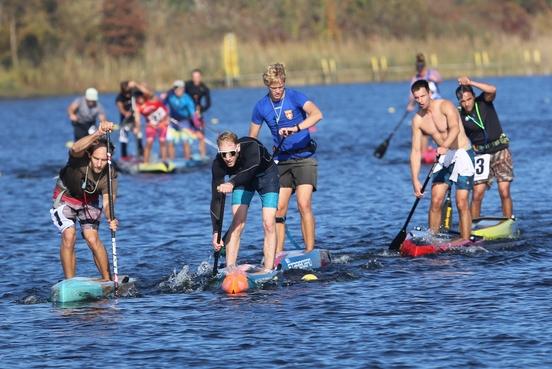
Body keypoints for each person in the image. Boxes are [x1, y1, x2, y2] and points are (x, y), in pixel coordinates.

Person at [248, 63, 323, 253]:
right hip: (281, 161)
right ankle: (278, 253)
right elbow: (252, 138)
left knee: (303, 204)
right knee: (279, 209)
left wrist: (296, 128)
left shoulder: (295, 96)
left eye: (281, 86)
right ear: (267, 85)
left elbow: (317, 114)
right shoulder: (261, 106)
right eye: (274, 87)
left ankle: (310, 251)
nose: (278, 91)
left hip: (305, 157)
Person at [50, 121, 118, 280]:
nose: (100, 164)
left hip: (89, 202)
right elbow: (74, 148)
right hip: (65, 198)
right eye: (96, 159)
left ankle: (107, 280)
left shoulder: (110, 174)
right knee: (69, 234)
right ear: (89, 155)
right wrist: (98, 133)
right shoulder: (78, 158)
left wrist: (110, 217)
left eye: (104, 160)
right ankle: (69, 283)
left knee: (92, 238)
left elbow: (108, 203)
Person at [410, 79, 475, 240]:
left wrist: (445, 145)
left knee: (461, 202)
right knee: (436, 200)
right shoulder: (418, 120)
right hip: (445, 157)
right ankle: (432, 240)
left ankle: (465, 240)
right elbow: (416, 151)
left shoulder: (445, 105)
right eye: (416, 98)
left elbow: (455, 128)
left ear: (430, 93)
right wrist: (415, 180)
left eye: (423, 96)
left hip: (463, 154)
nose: (420, 100)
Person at [211, 131, 279, 271]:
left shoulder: (252, 147)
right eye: (224, 154)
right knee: (237, 222)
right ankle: (230, 268)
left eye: (231, 153)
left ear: (238, 148)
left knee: (269, 223)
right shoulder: (218, 164)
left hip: (267, 177)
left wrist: (231, 183)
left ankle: (268, 269)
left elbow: (250, 170)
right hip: (241, 181)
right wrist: (216, 231)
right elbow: (216, 198)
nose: (228, 158)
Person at [456, 77, 514, 218]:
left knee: (504, 190)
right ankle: (473, 226)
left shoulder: (484, 102)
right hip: (481, 155)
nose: (466, 104)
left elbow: (492, 89)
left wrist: (470, 83)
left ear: (474, 97)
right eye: (463, 101)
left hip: (500, 150)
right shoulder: (459, 115)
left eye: (469, 99)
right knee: (477, 193)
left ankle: (508, 221)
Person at [407, 53, 443, 158]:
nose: (420, 70)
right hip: (423, 107)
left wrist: (433, 79)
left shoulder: (432, 73)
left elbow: (440, 79)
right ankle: (424, 153)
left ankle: (443, 148)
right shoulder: (415, 79)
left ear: (424, 66)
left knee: (439, 127)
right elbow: (412, 96)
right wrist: (411, 105)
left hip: (436, 104)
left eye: (421, 67)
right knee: (424, 130)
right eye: (418, 68)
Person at [165, 80, 204, 160]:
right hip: (173, 122)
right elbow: (163, 106)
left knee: (185, 141)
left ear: (183, 89)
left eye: (180, 88)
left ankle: (187, 160)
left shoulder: (187, 99)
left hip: (184, 122)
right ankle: (172, 161)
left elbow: (193, 115)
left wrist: (197, 129)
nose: (178, 90)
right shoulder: (170, 96)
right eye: (176, 88)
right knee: (169, 141)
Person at [133, 83, 170, 163]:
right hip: (151, 125)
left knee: (162, 141)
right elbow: (137, 119)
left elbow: (148, 92)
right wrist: (137, 129)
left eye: (140, 97)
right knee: (149, 142)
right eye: (137, 98)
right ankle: (146, 163)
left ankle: (164, 161)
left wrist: (135, 84)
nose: (139, 100)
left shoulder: (152, 99)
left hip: (163, 123)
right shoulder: (138, 106)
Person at [116, 80, 144, 159]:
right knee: (123, 137)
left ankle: (141, 155)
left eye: (129, 92)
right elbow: (120, 107)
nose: (128, 95)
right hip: (125, 121)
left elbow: (144, 92)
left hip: (135, 120)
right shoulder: (120, 97)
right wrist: (125, 113)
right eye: (126, 93)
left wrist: (136, 84)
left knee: (138, 135)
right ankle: (124, 156)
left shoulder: (134, 93)